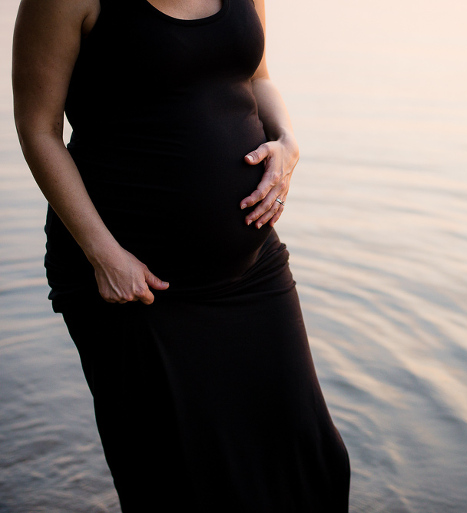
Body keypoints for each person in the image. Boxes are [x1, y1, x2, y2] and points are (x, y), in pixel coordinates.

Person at [12, 0, 351, 510]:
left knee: (308, 462)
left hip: (251, 269)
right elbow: (38, 129)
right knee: (176, 483)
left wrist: (287, 141)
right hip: (135, 285)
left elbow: (257, 76)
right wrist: (104, 255)